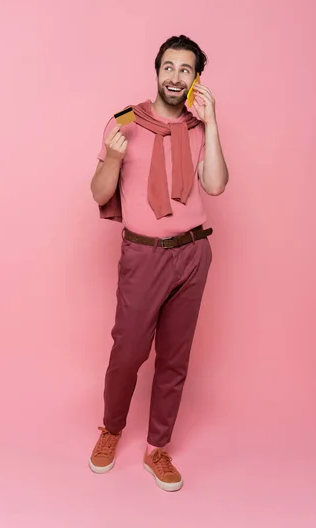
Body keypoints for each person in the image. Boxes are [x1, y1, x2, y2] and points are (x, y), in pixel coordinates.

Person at [89, 35, 228, 492]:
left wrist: (214, 125)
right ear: (157, 70)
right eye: (169, 67)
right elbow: (99, 192)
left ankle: (158, 448)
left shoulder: (198, 124)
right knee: (127, 351)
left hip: (193, 254)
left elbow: (216, 185)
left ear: (196, 78)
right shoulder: (125, 121)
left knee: (175, 357)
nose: (175, 76)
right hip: (143, 254)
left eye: (185, 70)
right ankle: (111, 429)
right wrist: (112, 155)